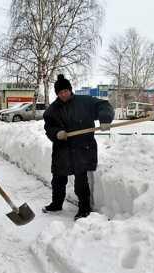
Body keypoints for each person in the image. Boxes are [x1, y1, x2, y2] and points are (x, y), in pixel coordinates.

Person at [43, 74, 114, 221]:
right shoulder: (52, 110)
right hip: (62, 149)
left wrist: (105, 118)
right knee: (58, 179)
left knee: (80, 180)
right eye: (60, 92)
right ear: (57, 94)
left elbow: (104, 105)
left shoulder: (84, 102)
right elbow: (49, 127)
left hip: (82, 147)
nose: (63, 94)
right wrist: (57, 133)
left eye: (65, 91)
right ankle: (56, 204)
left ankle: (84, 208)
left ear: (70, 90)